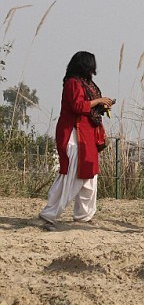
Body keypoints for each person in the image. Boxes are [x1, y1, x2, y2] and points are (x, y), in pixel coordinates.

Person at [39, 51, 114, 230]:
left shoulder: (87, 84)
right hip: (74, 133)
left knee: (90, 175)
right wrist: (98, 101)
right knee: (71, 174)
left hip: (87, 134)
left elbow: (87, 106)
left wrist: (101, 105)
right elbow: (78, 106)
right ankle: (48, 215)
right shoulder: (73, 83)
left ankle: (84, 216)